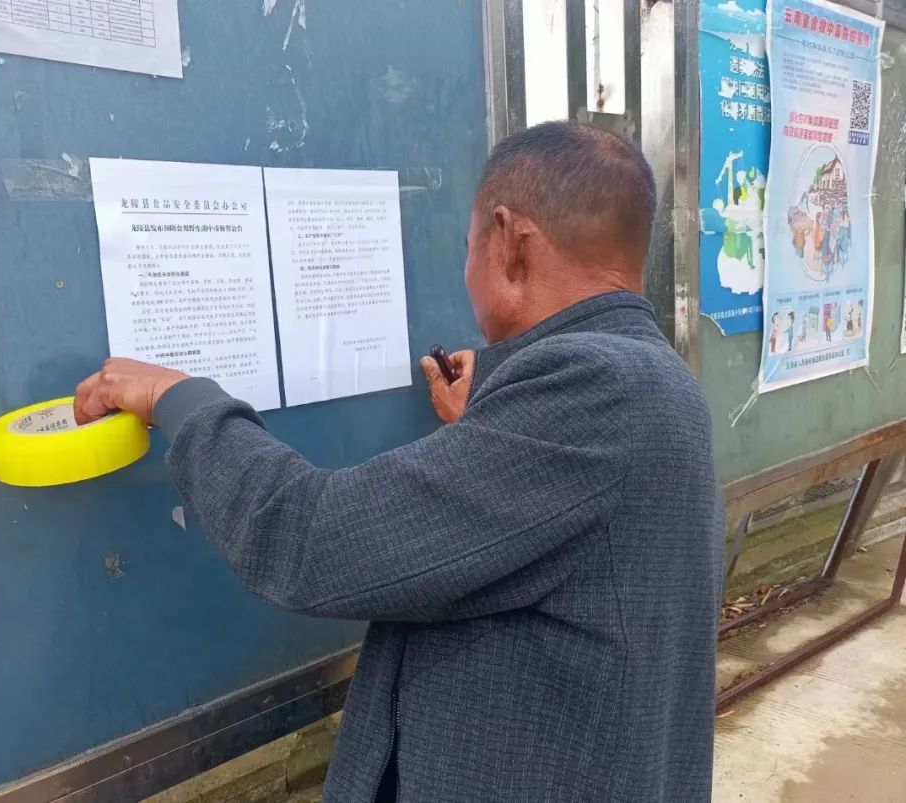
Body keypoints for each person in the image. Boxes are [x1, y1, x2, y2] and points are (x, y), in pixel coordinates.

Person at [74, 122, 723, 802]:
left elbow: (309, 540)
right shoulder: (657, 379)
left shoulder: (596, 394)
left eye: (468, 245)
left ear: (508, 241)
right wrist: (493, 416)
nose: (466, 268)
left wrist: (180, 398)